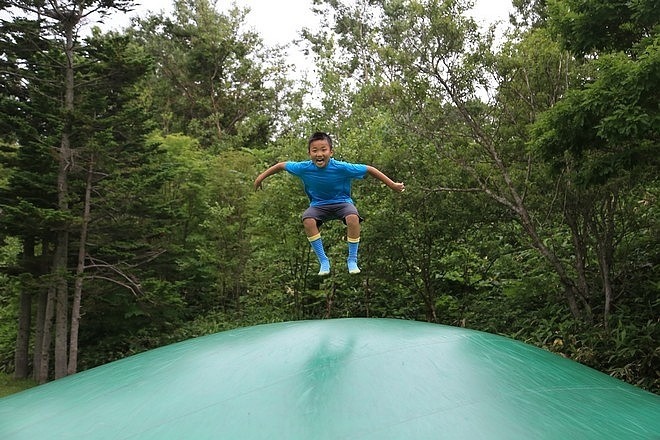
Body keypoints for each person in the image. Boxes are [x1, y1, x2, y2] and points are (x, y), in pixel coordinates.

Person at [254, 131, 405, 275]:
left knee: (353, 217)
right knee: (308, 219)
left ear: (331, 152)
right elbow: (281, 165)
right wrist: (260, 177)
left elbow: (369, 169)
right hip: (318, 206)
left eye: (323, 150)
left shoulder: (341, 167)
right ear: (309, 154)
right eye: (315, 150)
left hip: (342, 203)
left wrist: (392, 185)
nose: (319, 154)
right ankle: (323, 261)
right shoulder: (303, 168)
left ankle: (352, 259)